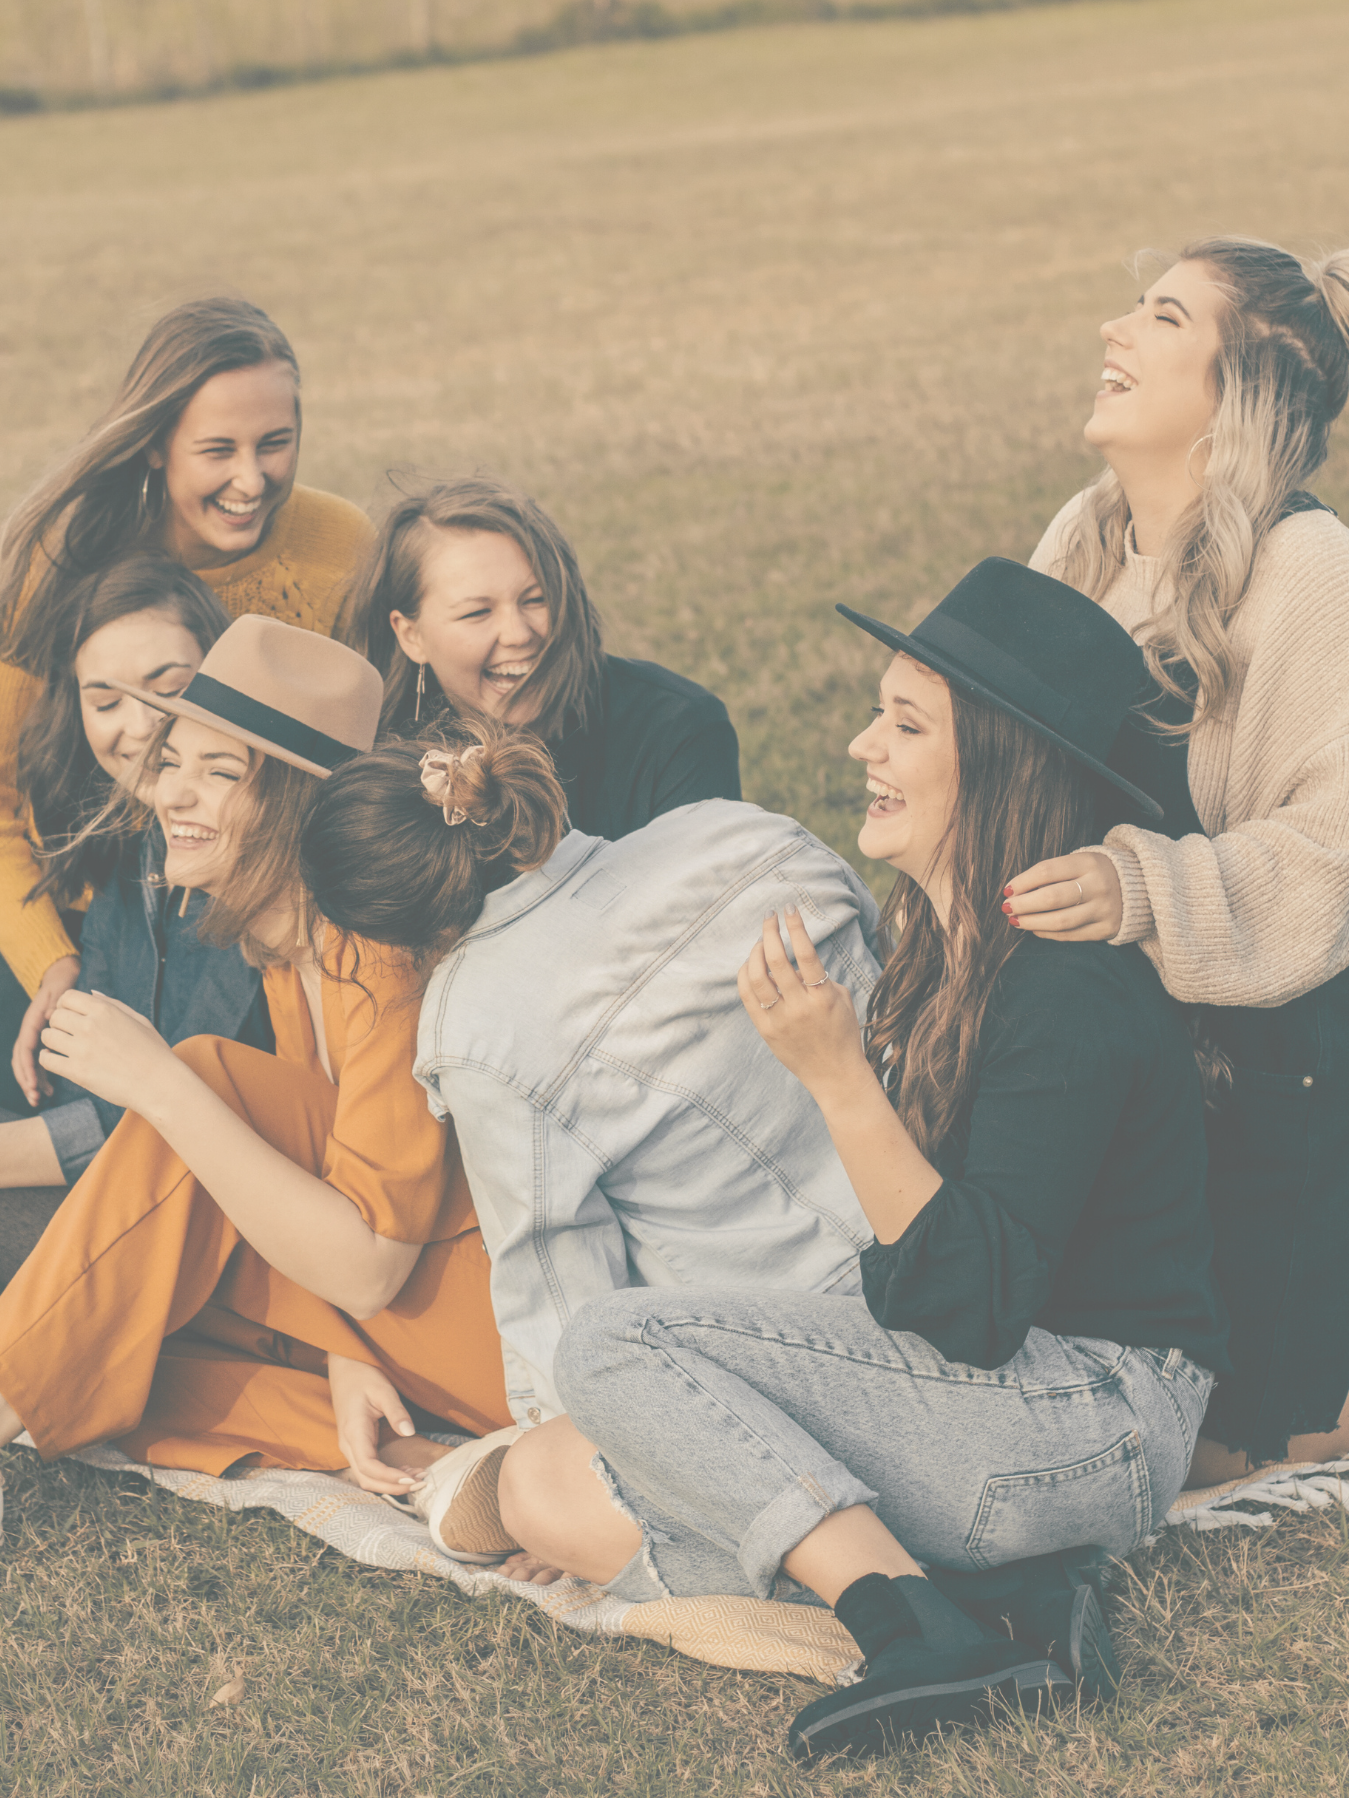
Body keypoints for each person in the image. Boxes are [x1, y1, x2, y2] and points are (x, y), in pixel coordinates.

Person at [486, 561, 1227, 1760]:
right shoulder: (944, 951)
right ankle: (1005, 1596)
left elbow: (970, 1307)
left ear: (1001, 764)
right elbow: (914, 1293)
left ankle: (910, 1628)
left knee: (612, 1346)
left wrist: (836, 1077)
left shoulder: (1065, 989)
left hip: (1095, 1420)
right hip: (1003, 1409)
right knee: (544, 1478)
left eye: (905, 724)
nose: (859, 745)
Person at [0, 620, 514, 1584]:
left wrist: (158, 1080)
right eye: (173, 762)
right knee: (103, 1353)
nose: (169, 794)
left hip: (490, 1325)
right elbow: (325, 1188)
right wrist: (341, 1354)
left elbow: (370, 1266)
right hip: (388, 1320)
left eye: (218, 773)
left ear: (297, 803)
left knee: (202, 1084)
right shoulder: (287, 946)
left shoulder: (379, 955)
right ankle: (426, 1460)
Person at [1010, 237, 1349, 1484]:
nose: (1114, 330)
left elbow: (1331, 847)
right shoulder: (1084, 535)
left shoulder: (1311, 569)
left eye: (1160, 317)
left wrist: (1138, 888)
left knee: (1225, 1450)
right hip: (1093, 1031)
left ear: (1239, 389)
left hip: (1262, 1072)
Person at [299, 722, 883, 1434]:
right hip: (953, 1220)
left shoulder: (477, 1029)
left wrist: (557, 1463)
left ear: (389, 933)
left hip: (807, 1358)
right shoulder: (735, 828)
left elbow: (565, 1311)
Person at [0, 297, 372, 1116]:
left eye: (275, 442)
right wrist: (51, 963)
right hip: (67, 906)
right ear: (154, 443)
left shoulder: (339, 545)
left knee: (183, 1136)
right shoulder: (54, 561)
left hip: (242, 914)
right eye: (218, 450)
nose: (252, 480)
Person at [0, 558, 272, 1298]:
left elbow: (158, 1121)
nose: (139, 726)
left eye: (168, 688)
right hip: (123, 1203)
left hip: (210, 1254)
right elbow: (92, 1098)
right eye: (106, 700)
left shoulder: (247, 867)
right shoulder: (136, 841)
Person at [343, 478, 740, 839]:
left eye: (536, 599)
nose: (518, 634)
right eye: (477, 612)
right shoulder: (365, 757)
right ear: (411, 636)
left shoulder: (676, 729)